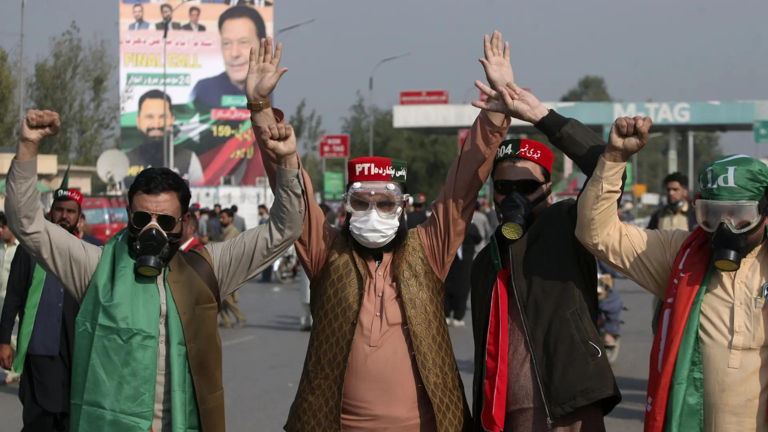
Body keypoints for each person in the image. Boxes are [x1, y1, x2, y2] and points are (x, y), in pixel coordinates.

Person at [250, 36, 507, 431]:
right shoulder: (327, 252)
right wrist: (262, 109)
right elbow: (291, 189)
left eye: (385, 203)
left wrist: (493, 115)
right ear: (347, 207)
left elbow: (461, 191)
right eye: (361, 203)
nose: (373, 213)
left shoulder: (429, 250)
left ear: (403, 208)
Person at [7, 109, 304, 432]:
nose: (152, 230)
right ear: (128, 215)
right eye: (141, 219)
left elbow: (284, 228)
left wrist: (287, 160)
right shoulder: (94, 268)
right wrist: (27, 145)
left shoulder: (208, 269)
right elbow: (26, 222)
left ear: (184, 222)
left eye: (164, 222)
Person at [576, 114, 768, 432]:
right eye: (713, 215)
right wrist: (614, 158)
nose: (725, 228)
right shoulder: (678, 255)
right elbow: (595, 232)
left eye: (740, 217)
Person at [468, 31, 620, 432]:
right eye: (505, 188)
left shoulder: (569, 223)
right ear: (493, 192)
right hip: (503, 417)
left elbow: (607, 165)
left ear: (549, 188)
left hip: (569, 410)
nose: (515, 197)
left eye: (527, 187)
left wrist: (539, 116)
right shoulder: (488, 258)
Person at [0, 167, 84, 431]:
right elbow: (12, 297)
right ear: (51, 212)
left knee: (70, 418)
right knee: (38, 419)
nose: (64, 216)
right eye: (60, 209)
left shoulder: (87, 253)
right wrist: (4, 341)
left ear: (79, 218)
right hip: (40, 347)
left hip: (76, 349)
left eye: (71, 211)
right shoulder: (30, 251)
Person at [648, 172, 698, 334]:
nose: (671, 193)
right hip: (663, 278)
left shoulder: (695, 215)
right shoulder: (659, 215)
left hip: (689, 278)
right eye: (668, 190)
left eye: (675, 189)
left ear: (685, 191)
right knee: (660, 325)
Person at [190, 6, 266, 108]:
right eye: (227, 43)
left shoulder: (281, 90)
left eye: (243, 42)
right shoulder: (204, 90)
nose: (234, 53)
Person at [125, 90, 204, 186]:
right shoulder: (126, 161)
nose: (156, 124)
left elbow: (200, 196)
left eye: (163, 117)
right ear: (138, 121)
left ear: (172, 120)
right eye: (149, 117)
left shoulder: (188, 160)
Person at [444, 223, 482, 327]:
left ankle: (446, 314)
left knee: (445, 287)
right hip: (464, 263)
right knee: (462, 289)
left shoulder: (448, 225)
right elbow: (478, 239)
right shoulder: (471, 227)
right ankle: (458, 316)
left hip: (448, 260)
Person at [0, 212, 20, 385]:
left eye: (3, 227)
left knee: (14, 338)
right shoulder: (0, 248)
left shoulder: (21, 250)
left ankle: (15, 371)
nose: (0, 231)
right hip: (0, 301)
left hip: (13, 302)